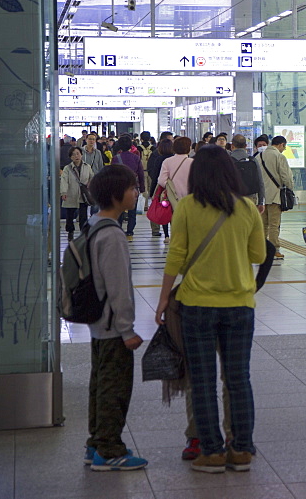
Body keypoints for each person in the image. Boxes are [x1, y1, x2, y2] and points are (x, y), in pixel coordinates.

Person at [154, 145, 266, 474]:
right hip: (239, 305)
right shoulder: (246, 207)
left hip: (197, 305)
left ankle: (213, 453)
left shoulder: (188, 206)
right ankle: (242, 449)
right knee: (238, 380)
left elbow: (176, 255)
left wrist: (163, 299)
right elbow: (258, 254)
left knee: (201, 382)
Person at [83, 164, 147, 471]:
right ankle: (108, 451)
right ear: (115, 194)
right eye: (132, 187)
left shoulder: (93, 223)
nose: (136, 192)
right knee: (114, 388)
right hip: (112, 327)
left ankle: (95, 443)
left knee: (100, 383)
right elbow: (119, 288)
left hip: (98, 323)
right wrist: (127, 330)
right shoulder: (113, 236)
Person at [256, 135, 293, 260]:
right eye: (284, 146)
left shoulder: (258, 156)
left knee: (262, 224)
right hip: (275, 195)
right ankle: (274, 249)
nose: (284, 149)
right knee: (274, 224)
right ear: (281, 144)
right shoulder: (279, 156)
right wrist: (290, 188)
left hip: (260, 197)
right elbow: (286, 177)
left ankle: (261, 249)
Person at [110, 136, 145, 242]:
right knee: (132, 211)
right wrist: (142, 188)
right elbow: (141, 174)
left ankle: (119, 230)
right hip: (133, 187)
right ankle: (130, 232)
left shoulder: (116, 158)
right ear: (131, 145)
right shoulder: (136, 158)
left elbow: (112, 174)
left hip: (119, 187)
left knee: (119, 210)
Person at [61, 146, 94, 239]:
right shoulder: (67, 168)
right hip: (71, 194)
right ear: (70, 157)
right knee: (70, 215)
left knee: (83, 216)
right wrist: (63, 192)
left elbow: (92, 177)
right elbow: (64, 180)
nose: (76, 156)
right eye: (73, 154)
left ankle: (83, 233)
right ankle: (70, 232)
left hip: (83, 195)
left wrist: (90, 184)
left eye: (78, 153)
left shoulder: (87, 167)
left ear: (81, 155)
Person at [147, 137, 175, 243]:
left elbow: (155, 177)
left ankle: (166, 235)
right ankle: (174, 234)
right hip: (174, 189)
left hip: (162, 189)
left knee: (164, 210)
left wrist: (152, 191)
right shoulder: (174, 158)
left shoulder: (159, 159)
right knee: (173, 211)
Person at [157, 136, 193, 213]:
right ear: (188, 148)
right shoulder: (193, 162)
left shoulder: (167, 161)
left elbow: (161, 181)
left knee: (175, 221)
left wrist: (170, 187)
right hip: (190, 198)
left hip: (172, 198)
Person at [230, 135, 265, 212]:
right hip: (250, 198)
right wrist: (261, 202)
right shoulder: (252, 160)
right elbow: (260, 182)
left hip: (231, 198)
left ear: (232, 146)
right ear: (245, 146)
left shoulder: (227, 160)